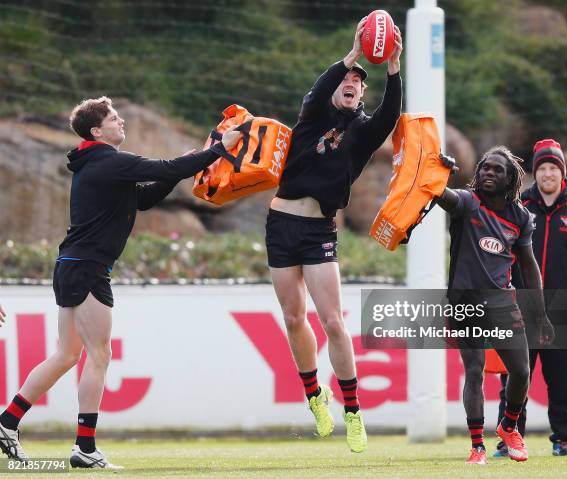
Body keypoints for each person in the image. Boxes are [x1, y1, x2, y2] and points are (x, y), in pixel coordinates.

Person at [0, 96, 240, 468]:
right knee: (98, 355)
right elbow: (166, 167)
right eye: (114, 118)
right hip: (88, 267)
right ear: (97, 131)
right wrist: (216, 152)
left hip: (72, 264)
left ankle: (7, 422)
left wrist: (189, 164)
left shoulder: (98, 164)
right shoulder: (108, 161)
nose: (121, 121)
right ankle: (85, 448)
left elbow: (143, 198)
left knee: (66, 355)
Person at [265, 18, 402, 453]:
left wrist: (393, 65)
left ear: (363, 94)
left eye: (357, 82)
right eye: (345, 79)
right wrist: (353, 55)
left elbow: (391, 113)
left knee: (335, 323)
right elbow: (324, 81)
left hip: (319, 229)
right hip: (280, 224)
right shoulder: (312, 113)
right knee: (292, 318)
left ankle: (353, 411)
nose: (350, 82)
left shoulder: (362, 134)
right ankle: (313, 396)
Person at [437, 146, 555, 465]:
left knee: (520, 370)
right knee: (474, 371)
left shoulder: (520, 217)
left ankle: (508, 426)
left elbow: (529, 268)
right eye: (485, 168)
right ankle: (477, 446)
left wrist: (541, 315)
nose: (489, 172)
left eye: (497, 170)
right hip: (464, 303)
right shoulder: (466, 202)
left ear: (510, 179)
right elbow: (439, 193)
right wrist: (438, 169)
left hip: (502, 303)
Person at [495, 139, 567, 458]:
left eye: (554, 167)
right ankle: (509, 436)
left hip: (561, 317)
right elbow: (501, 256)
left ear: (562, 173)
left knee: (562, 381)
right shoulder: (517, 211)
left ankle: (562, 438)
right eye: (542, 168)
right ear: (534, 174)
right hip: (520, 314)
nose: (548, 173)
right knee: (514, 379)